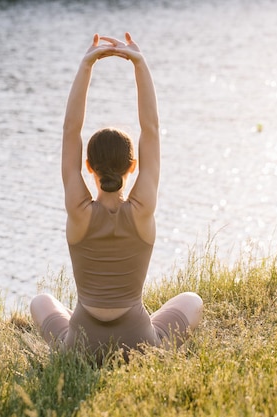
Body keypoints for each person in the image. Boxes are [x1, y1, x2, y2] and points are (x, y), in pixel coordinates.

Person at [30, 33, 203, 362]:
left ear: (88, 167)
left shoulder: (79, 211)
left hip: (79, 345)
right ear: (133, 166)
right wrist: (140, 63)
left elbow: (71, 129)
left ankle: (71, 340)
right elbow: (150, 128)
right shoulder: (141, 209)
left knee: (40, 301)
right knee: (192, 299)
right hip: (138, 343)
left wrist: (87, 64)